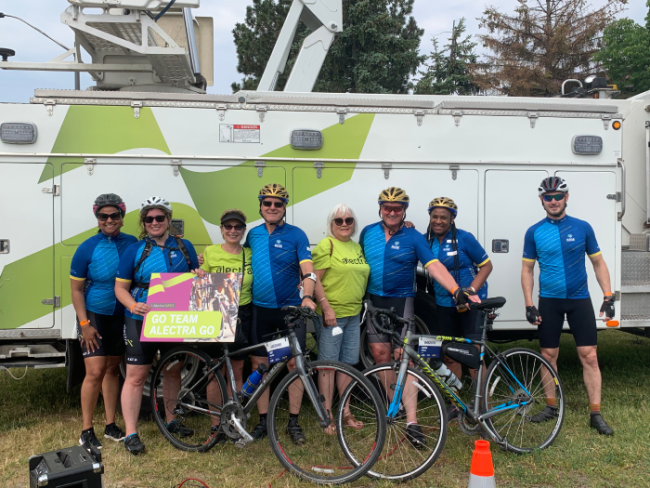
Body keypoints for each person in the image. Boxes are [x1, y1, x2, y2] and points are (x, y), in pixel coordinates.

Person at [360, 187, 480, 448]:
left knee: (405, 357)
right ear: (380, 208)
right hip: (375, 301)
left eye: (398, 208)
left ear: (404, 211)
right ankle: (393, 408)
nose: (392, 212)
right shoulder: (367, 233)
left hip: (402, 301)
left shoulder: (414, 237)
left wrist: (456, 290)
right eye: (387, 207)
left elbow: (434, 266)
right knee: (380, 355)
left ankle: (412, 422)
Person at [521, 177, 615, 435]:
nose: (553, 201)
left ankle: (595, 413)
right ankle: (551, 407)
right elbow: (527, 270)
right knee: (548, 356)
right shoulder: (534, 231)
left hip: (579, 299)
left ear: (566, 197)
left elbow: (598, 263)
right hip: (549, 301)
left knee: (590, 356)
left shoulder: (583, 227)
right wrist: (529, 304)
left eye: (557, 196)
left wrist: (608, 296)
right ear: (542, 200)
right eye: (548, 197)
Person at [115, 196, 200, 454]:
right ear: (143, 222)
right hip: (141, 318)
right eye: (149, 219)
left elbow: (195, 280)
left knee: (173, 370)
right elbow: (120, 288)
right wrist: (132, 305)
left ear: (168, 219)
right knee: (137, 376)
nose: (154, 222)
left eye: (159, 218)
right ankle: (131, 433)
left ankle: (172, 420)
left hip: (174, 318)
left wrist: (199, 276)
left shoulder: (185, 247)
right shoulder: (135, 249)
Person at [245, 184, 317, 444]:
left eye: (278, 204)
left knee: (293, 364)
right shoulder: (252, 235)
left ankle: (294, 421)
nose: (272, 207)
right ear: (261, 206)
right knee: (259, 365)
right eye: (267, 203)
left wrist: (308, 295)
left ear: (285, 207)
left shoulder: (296, 235)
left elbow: (308, 269)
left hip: (289, 310)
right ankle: (263, 420)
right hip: (260, 309)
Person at [70, 194, 137, 450]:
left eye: (114, 215)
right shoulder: (87, 247)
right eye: (103, 216)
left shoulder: (132, 243)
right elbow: (76, 291)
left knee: (112, 370)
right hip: (94, 316)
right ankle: (87, 430)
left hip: (121, 316)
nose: (109, 220)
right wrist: (84, 323)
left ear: (122, 216)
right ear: (97, 218)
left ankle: (110, 425)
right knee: (95, 371)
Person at [312, 204, 370, 434]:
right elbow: (314, 279)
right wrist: (326, 307)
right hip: (331, 315)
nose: (344, 224)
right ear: (331, 224)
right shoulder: (327, 245)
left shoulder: (356, 247)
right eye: (339, 221)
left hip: (353, 313)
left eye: (349, 220)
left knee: (347, 364)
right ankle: (326, 415)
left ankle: (345, 411)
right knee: (328, 365)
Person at [425, 197, 492, 383]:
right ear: (430, 217)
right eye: (435, 216)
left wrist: (470, 291)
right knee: (449, 355)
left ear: (452, 219)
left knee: (473, 354)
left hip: (470, 304)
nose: (439, 221)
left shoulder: (464, 238)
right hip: (443, 304)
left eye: (444, 217)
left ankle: (483, 403)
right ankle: (456, 404)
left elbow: (486, 266)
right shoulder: (426, 241)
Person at [199, 209, 252, 439]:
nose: (233, 231)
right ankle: (214, 423)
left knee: (237, 370)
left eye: (237, 227)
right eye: (228, 227)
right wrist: (199, 274)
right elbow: (202, 280)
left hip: (242, 312)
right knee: (215, 370)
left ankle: (233, 420)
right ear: (221, 230)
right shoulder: (209, 252)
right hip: (216, 312)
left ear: (243, 230)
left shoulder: (250, 253)